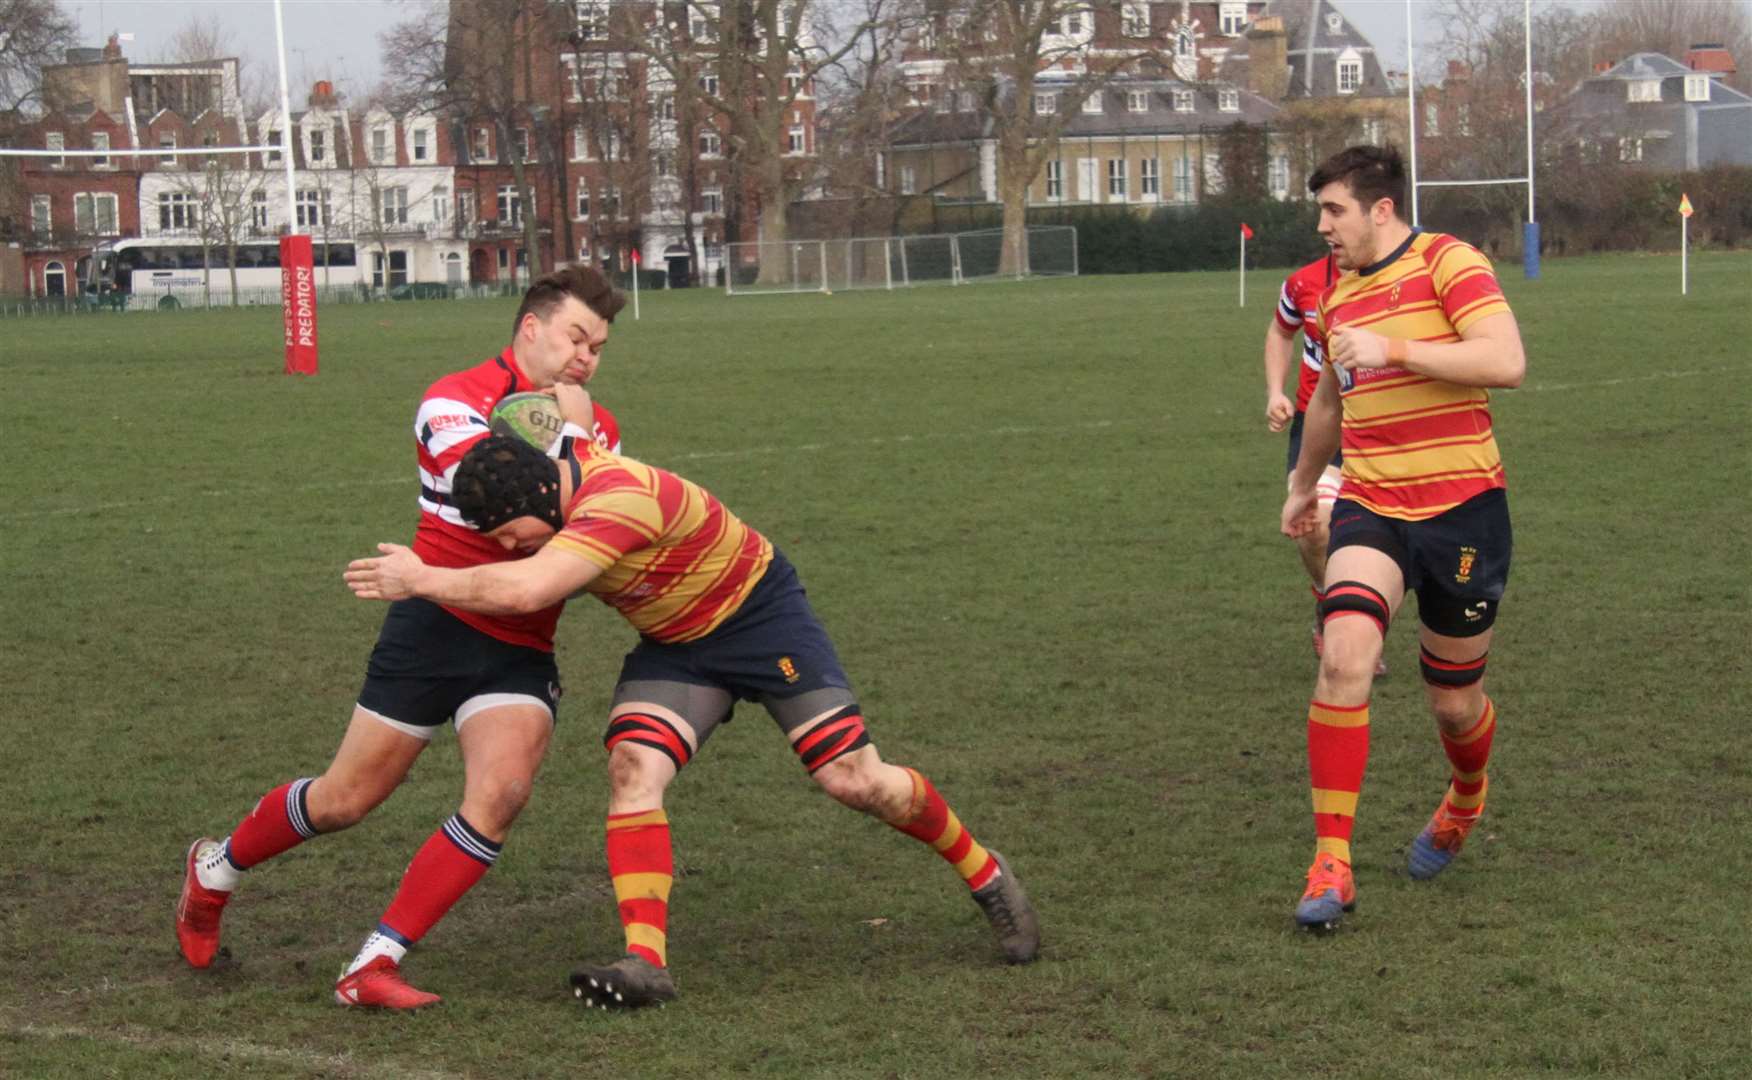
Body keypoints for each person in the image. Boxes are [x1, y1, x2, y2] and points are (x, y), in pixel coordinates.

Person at [344, 420, 1042, 1007]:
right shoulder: (557, 478)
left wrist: (423, 579)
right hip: (678, 645)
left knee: (856, 781)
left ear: (535, 494)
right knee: (632, 768)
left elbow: (529, 589)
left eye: (505, 531)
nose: (506, 544)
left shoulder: (618, 499)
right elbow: (563, 420)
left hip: (760, 621)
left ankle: (985, 872)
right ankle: (645, 962)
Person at [175, 265, 628, 1008]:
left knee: (504, 790)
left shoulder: (597, 424)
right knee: (345, 801)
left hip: (520, 638)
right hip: (433, 624)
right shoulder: (453, 401)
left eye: (599, 347)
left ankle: (372, 964)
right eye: (577, 337)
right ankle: (214, 870)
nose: (587, 358)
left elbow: (596, 521)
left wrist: (573, 467)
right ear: (531, 328)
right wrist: (572, 453)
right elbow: (511, 514)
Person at [1280, 145, 1525, 931]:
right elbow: (1325, 402)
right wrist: (1300, 484)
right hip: (1372, 503)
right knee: (1344, 651)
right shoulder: (1336, 295)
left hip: (1463, 512)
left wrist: (1396, 349)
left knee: (1453, 704)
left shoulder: (1451, 262)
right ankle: (1332, 863)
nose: (1323, 226)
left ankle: (1465, 798)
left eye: (1334, 211)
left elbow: (1506, 360)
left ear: (1380, 209)